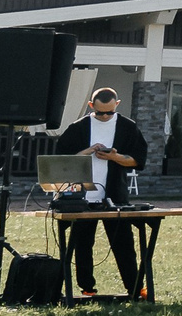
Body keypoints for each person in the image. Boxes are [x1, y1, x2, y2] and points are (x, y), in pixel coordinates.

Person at [53, 86, 148, 300]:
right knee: (82, 244)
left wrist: (115, 157)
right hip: (81, 197)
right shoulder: (78, 128)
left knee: (124, 244)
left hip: (115, 197)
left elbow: (137, 160)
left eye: (109, 112)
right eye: (99, 112)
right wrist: (86, 153)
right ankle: (86, 287)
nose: (104, 116)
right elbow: (62, 161)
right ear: (90, 107)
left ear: (117, 105)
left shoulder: (127, 127)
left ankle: (135, 288)